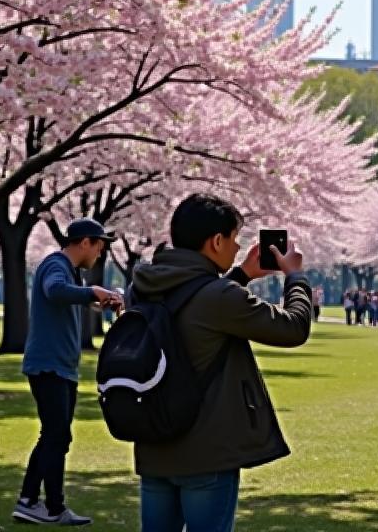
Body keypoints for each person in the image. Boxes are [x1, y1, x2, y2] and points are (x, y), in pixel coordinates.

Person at [131, 192, 312, 532]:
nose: (235, 246)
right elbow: (293, 328)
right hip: (206, 450)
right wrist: (295, 277)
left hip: (154, 444)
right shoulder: (219, 297)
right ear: (216, 241)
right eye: (233, 238)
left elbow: (194, 305)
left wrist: (241, 274)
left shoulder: (143, 286)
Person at [14, 218, 123, 526]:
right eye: (99, 247)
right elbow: (55, 291)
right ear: (85, 242)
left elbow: (64, 298)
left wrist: (94, 302)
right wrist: (92, 292)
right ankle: (51, 507)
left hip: (59, 366)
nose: (100, 254)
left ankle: (31, 501)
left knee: (55, 436)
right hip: (49, 365)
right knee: (57, 434)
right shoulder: (56, 265)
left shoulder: (67, 270)